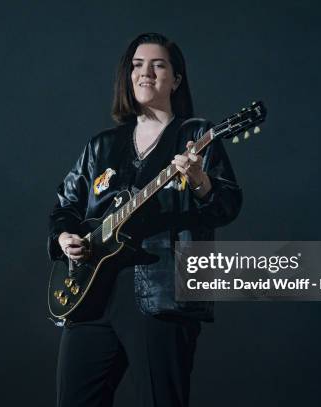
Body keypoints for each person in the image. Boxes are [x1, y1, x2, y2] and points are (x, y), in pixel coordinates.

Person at [48, 32, 242, 407]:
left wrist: (200, 181)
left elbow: (228, 205)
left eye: (158, 65)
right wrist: (64, 237)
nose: (145, 73)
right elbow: (65, 206)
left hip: (160, 294)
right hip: (91, 296)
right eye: (137, 65)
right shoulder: (101, 146)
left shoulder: (195, 134)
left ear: (176, 79)